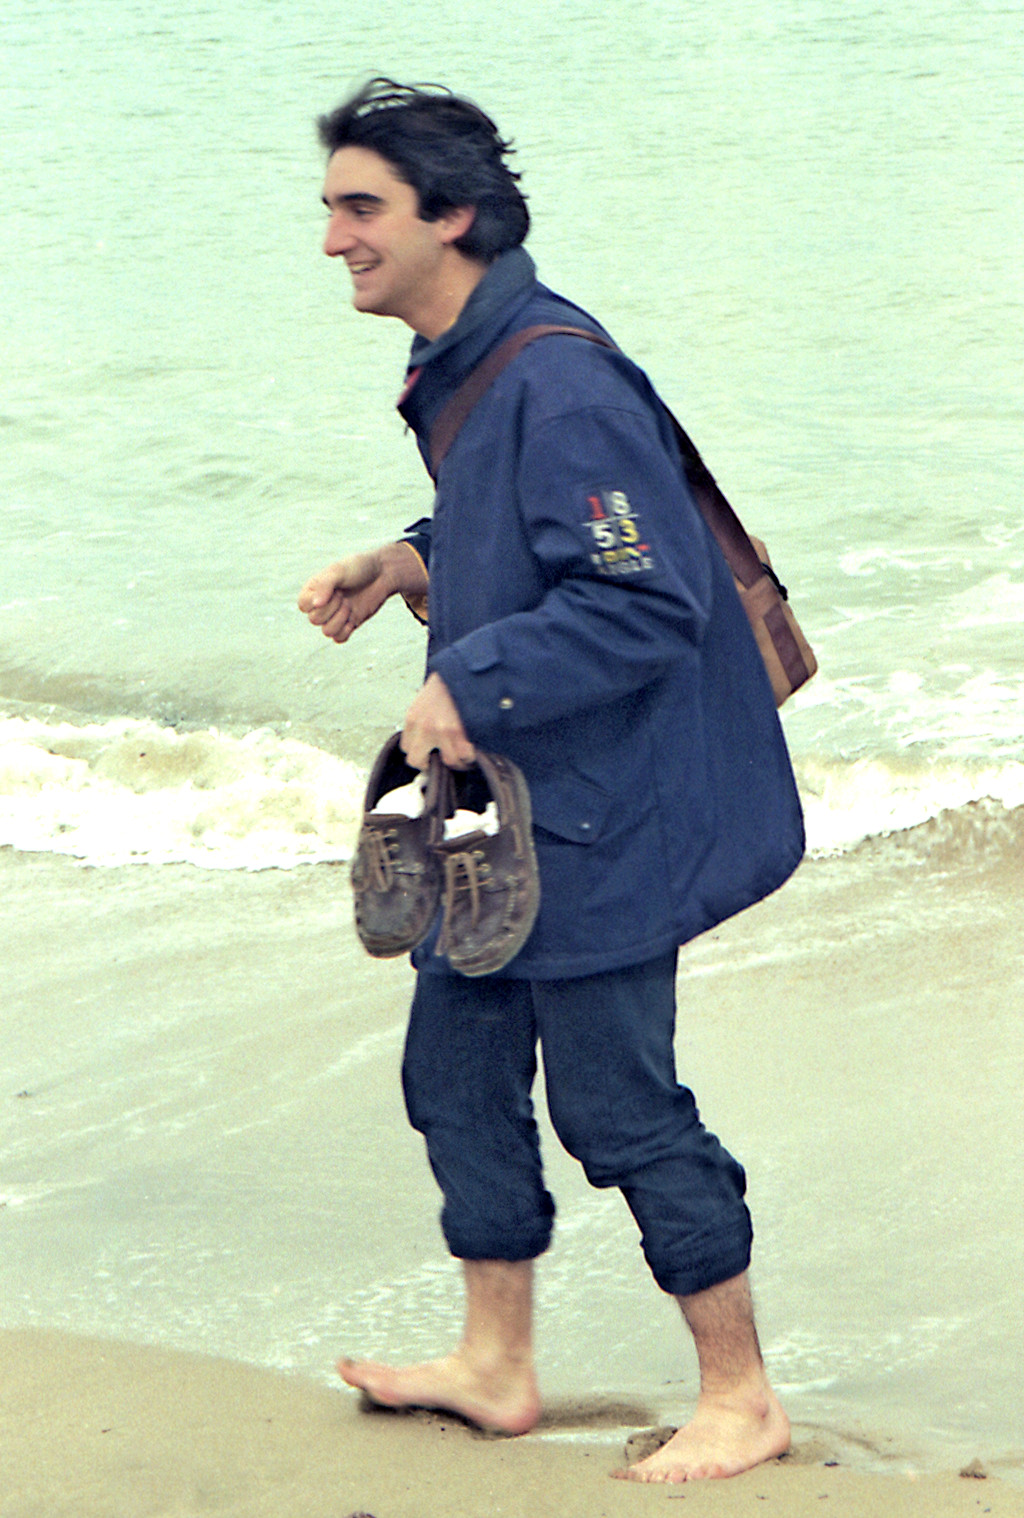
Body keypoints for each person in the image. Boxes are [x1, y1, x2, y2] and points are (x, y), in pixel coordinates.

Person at [299, 78, 805, 1483]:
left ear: (452, 216)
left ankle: (742, 1395)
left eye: (361, 208)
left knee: (617, 1107)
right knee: (453, 1074)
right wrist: (407, 560)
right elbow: (519, 521)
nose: (334, 240)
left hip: (605, 815)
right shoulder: (468, 356)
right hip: (502, 812)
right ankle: (496, 1364)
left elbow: (645, 600)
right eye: (330, 208)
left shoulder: (559, 378)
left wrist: (470, 679)